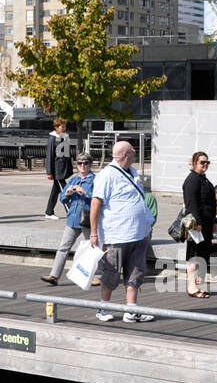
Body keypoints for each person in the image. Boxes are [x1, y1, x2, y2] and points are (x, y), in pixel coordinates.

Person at [89, 141, 156, 323]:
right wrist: (93, 233)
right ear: (126, 154)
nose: (135, 154)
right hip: (116, 235)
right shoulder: (107, 175)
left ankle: (131, 310)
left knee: (135, 272)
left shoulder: (133, 172)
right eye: (133, 152)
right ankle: (104, 308)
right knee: (110, 272)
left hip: (138, 234)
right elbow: (96, 203)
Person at [41, 151, 95, 285]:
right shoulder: (73, 179)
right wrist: (67, 193)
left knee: (92, 248)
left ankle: (98, 275)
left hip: (88, 219)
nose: (82, 166)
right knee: (63, 248)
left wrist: (85, 193)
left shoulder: (95, 180)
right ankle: (54, 275)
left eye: (86, 163)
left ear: (90, 165)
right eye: (80, 163)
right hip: (73, 218)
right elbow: (62, 199)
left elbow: (99, 199)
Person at [181, 151, 216, 298]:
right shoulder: (192, 180)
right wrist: (197, 223)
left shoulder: (203, 179)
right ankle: (192, 287)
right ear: (194, 163)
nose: (205, 165)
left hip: (206, 224)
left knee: (201, 254)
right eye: (202, 162)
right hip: (197, 225)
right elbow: (191, 204)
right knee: (194, 254)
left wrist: (213, 222)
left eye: (207, 162)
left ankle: (195, 285)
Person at [43, 117, 74, 220]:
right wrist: (49, 171)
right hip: (57, 169)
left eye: (65, 126)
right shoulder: (52, 138)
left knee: (55, 191)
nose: (64, 128)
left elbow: (67, 154)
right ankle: (69, 210)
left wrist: (70, 167)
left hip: (63, 168)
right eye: (62, 126)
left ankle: (49, 211)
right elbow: (50, 155)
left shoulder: (65, 137)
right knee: (64, 189)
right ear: (56, 127)